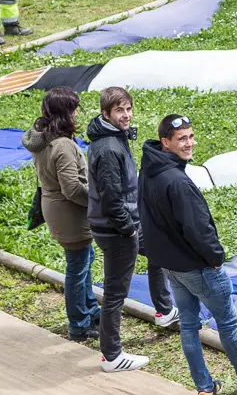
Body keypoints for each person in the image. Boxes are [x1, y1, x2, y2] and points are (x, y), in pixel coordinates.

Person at [138, 114, 237, 394]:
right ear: (165, 142)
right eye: (181, 139)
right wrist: (216, 259)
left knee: (188, 324)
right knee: (228, 322)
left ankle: (205, 387)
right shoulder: (177, 182)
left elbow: (146, 218)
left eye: (191, 136)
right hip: (198, 268)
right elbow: (198, 229)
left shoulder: (148, 170)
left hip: (172, 267)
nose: (189, 143)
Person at [86, 87, 178, 373]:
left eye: (128, 109)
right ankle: (112, 356)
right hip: (117, 230)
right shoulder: (108, 149)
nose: (126, 115)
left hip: (126, 224)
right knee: (115, 293)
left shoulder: (115, 137)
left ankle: (164, 310)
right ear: (106, 114)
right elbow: (111, 199)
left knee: (159, 251)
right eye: (119, 110)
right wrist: (128, 229)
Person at [22, 87, 99, 342]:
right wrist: (98, 201)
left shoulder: (43, 136)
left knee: (84, 260)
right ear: (66, 113)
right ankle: (79, 325)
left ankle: (91, 311)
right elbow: (72, 188)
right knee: (77, 269)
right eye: (74, 109)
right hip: (70, 214)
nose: (77, 113)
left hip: (54, 207)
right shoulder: (63, 145)